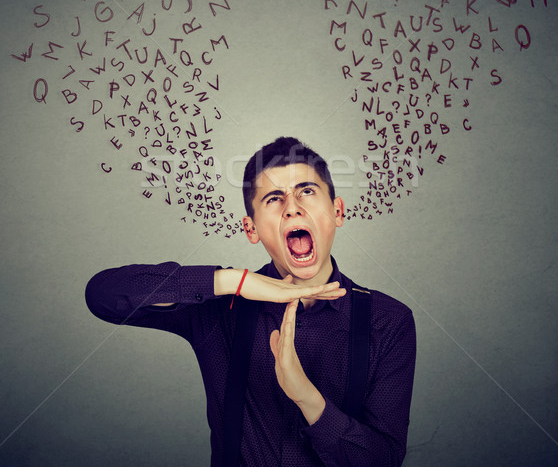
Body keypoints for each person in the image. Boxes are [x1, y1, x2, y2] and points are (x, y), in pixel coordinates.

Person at [85, 136, 416, 466]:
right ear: (251, 228)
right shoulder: (220, 308)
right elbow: (103, 295)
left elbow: (384, 460)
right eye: (274, 198)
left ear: (337, 211)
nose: (293, 207)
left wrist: (308, 398)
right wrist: (233, 280)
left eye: (307, 191)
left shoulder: (387, 321)